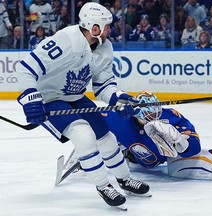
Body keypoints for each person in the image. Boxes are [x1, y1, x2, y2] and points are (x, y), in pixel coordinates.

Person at [16, 2, 150, 210]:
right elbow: (26, 69)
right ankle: (103, 185)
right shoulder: (66, 40)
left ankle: (124, 179)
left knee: (107, 138)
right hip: (51, 98)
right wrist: (30, 99)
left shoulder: (105, 47)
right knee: (84, 135)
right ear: (94, 27)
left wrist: (120, 98)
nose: (109, 30)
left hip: (76, 96)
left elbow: (104, 84)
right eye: (106, 26)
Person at [63, 91, 212, 183]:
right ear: (137, 115)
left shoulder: (171, 116)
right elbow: (87, 117)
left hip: (165, 157)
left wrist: (181, 142)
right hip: (132, 159)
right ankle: (82, 160)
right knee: (108, 146)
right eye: (148, 116)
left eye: (155, 113)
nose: (154, 118)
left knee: (181, 166)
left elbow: (194, 144)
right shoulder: (117, 119)